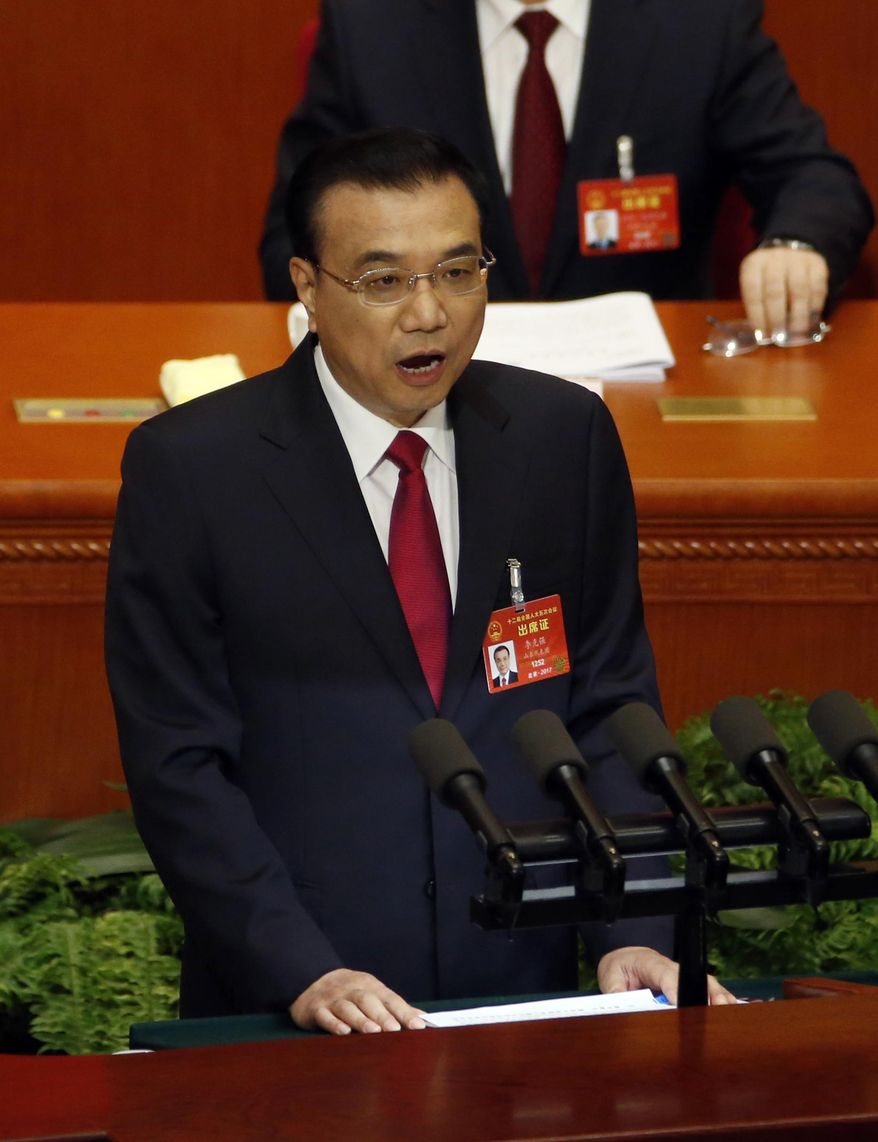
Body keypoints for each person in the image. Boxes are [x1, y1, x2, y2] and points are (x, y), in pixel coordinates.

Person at [107, 127, 734, 1035]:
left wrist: (631, 929)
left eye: (458, 271)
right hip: (300, 1003)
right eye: (384, 280)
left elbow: (609, 706)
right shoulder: (196, 470)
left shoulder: (563, 438)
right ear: (307, 287)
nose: (429, 312)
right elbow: (179, 766)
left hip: (525, 990)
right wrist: (301, 969)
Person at [259, 0, 873, 339]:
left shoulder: (701, 20)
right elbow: (295, 235)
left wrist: (796, 244)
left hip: (642, 392)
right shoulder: (371, 24)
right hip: (426, 387)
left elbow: (814, 177)